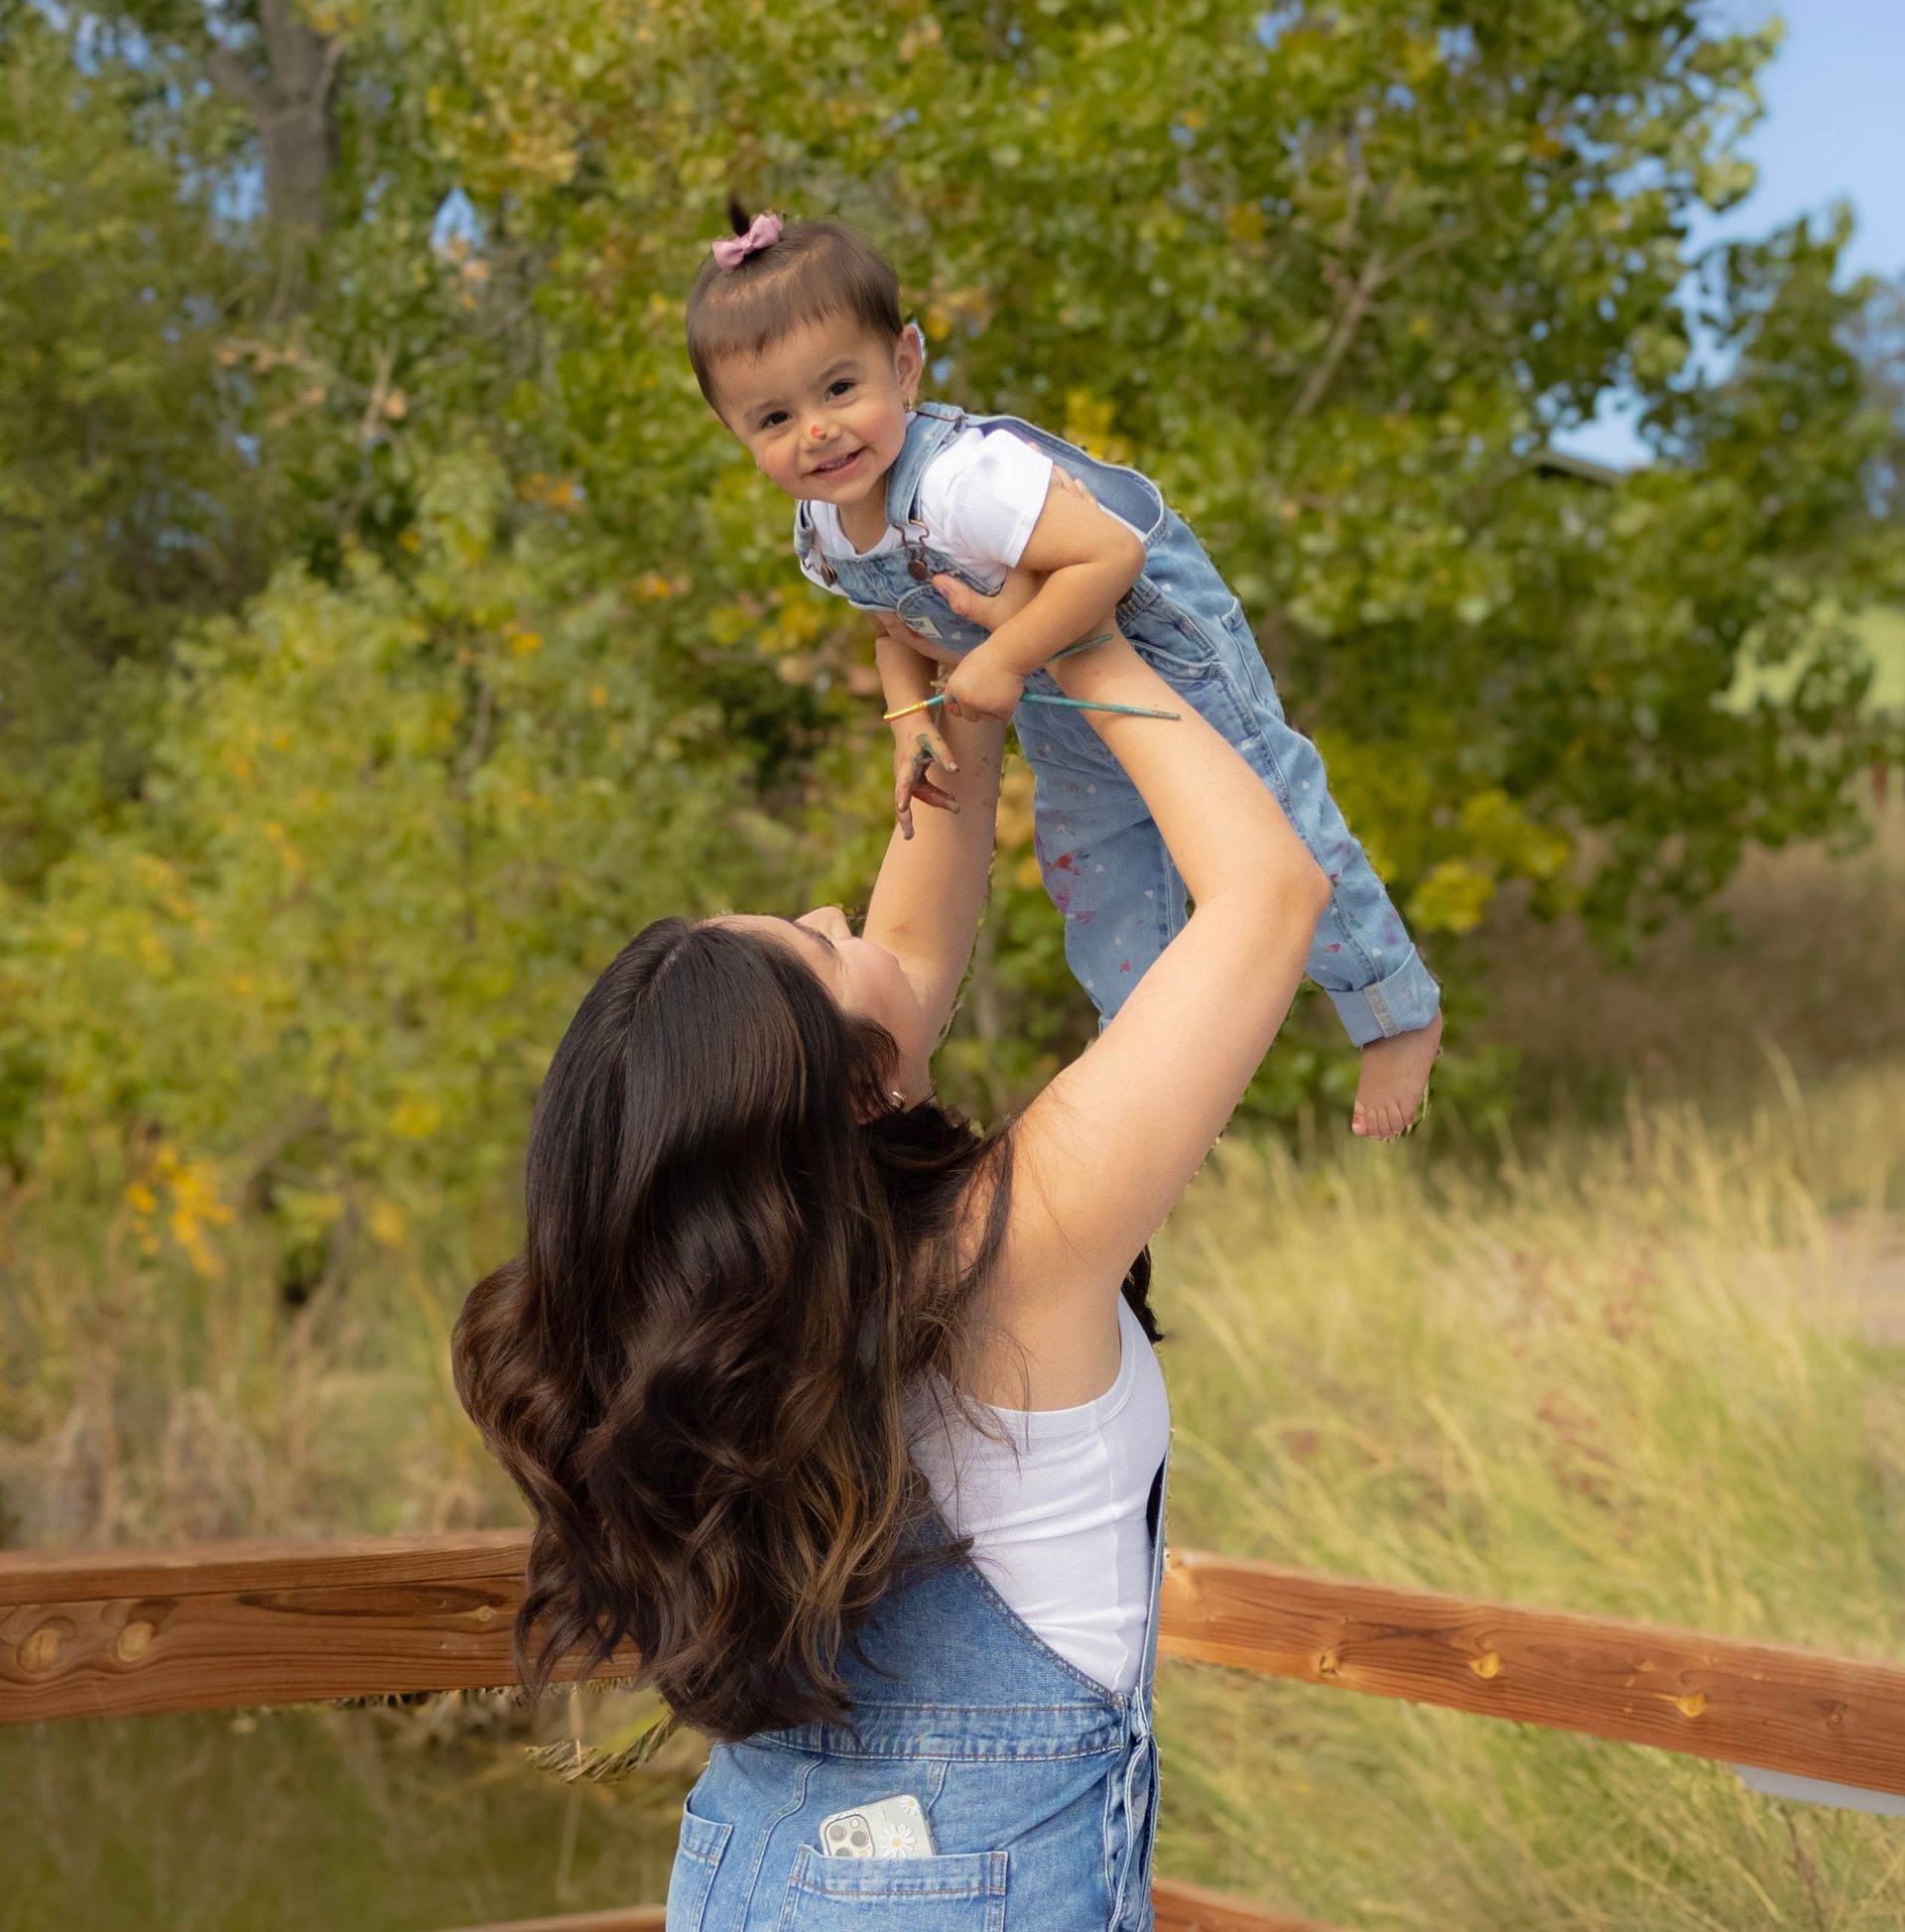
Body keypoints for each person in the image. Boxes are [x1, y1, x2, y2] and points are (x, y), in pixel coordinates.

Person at [454, 579, 1332, 1929]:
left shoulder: (746, 1316)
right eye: (818, 942)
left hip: (747, 1879)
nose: (836, 908)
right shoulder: (1004, 1256)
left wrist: (941, 692)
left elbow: (906, 955)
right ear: (851, 1093)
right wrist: (1077, 627)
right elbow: (1269, 895)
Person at [685, 204, 1443, 1139]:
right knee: (1093, 868)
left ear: (906, 362)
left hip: (1153, 639)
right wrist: (906, 717)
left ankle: (1393, 1008)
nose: (817, 432)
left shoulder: (961, 479)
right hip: (1048, 687)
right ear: (735, 432)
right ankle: (1155, 1075)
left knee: (1271, 810)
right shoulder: (828, 528)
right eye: (774, 417)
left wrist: (1003, 654)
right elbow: (895, 632)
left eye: (840, 388)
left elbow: (1107, 555)